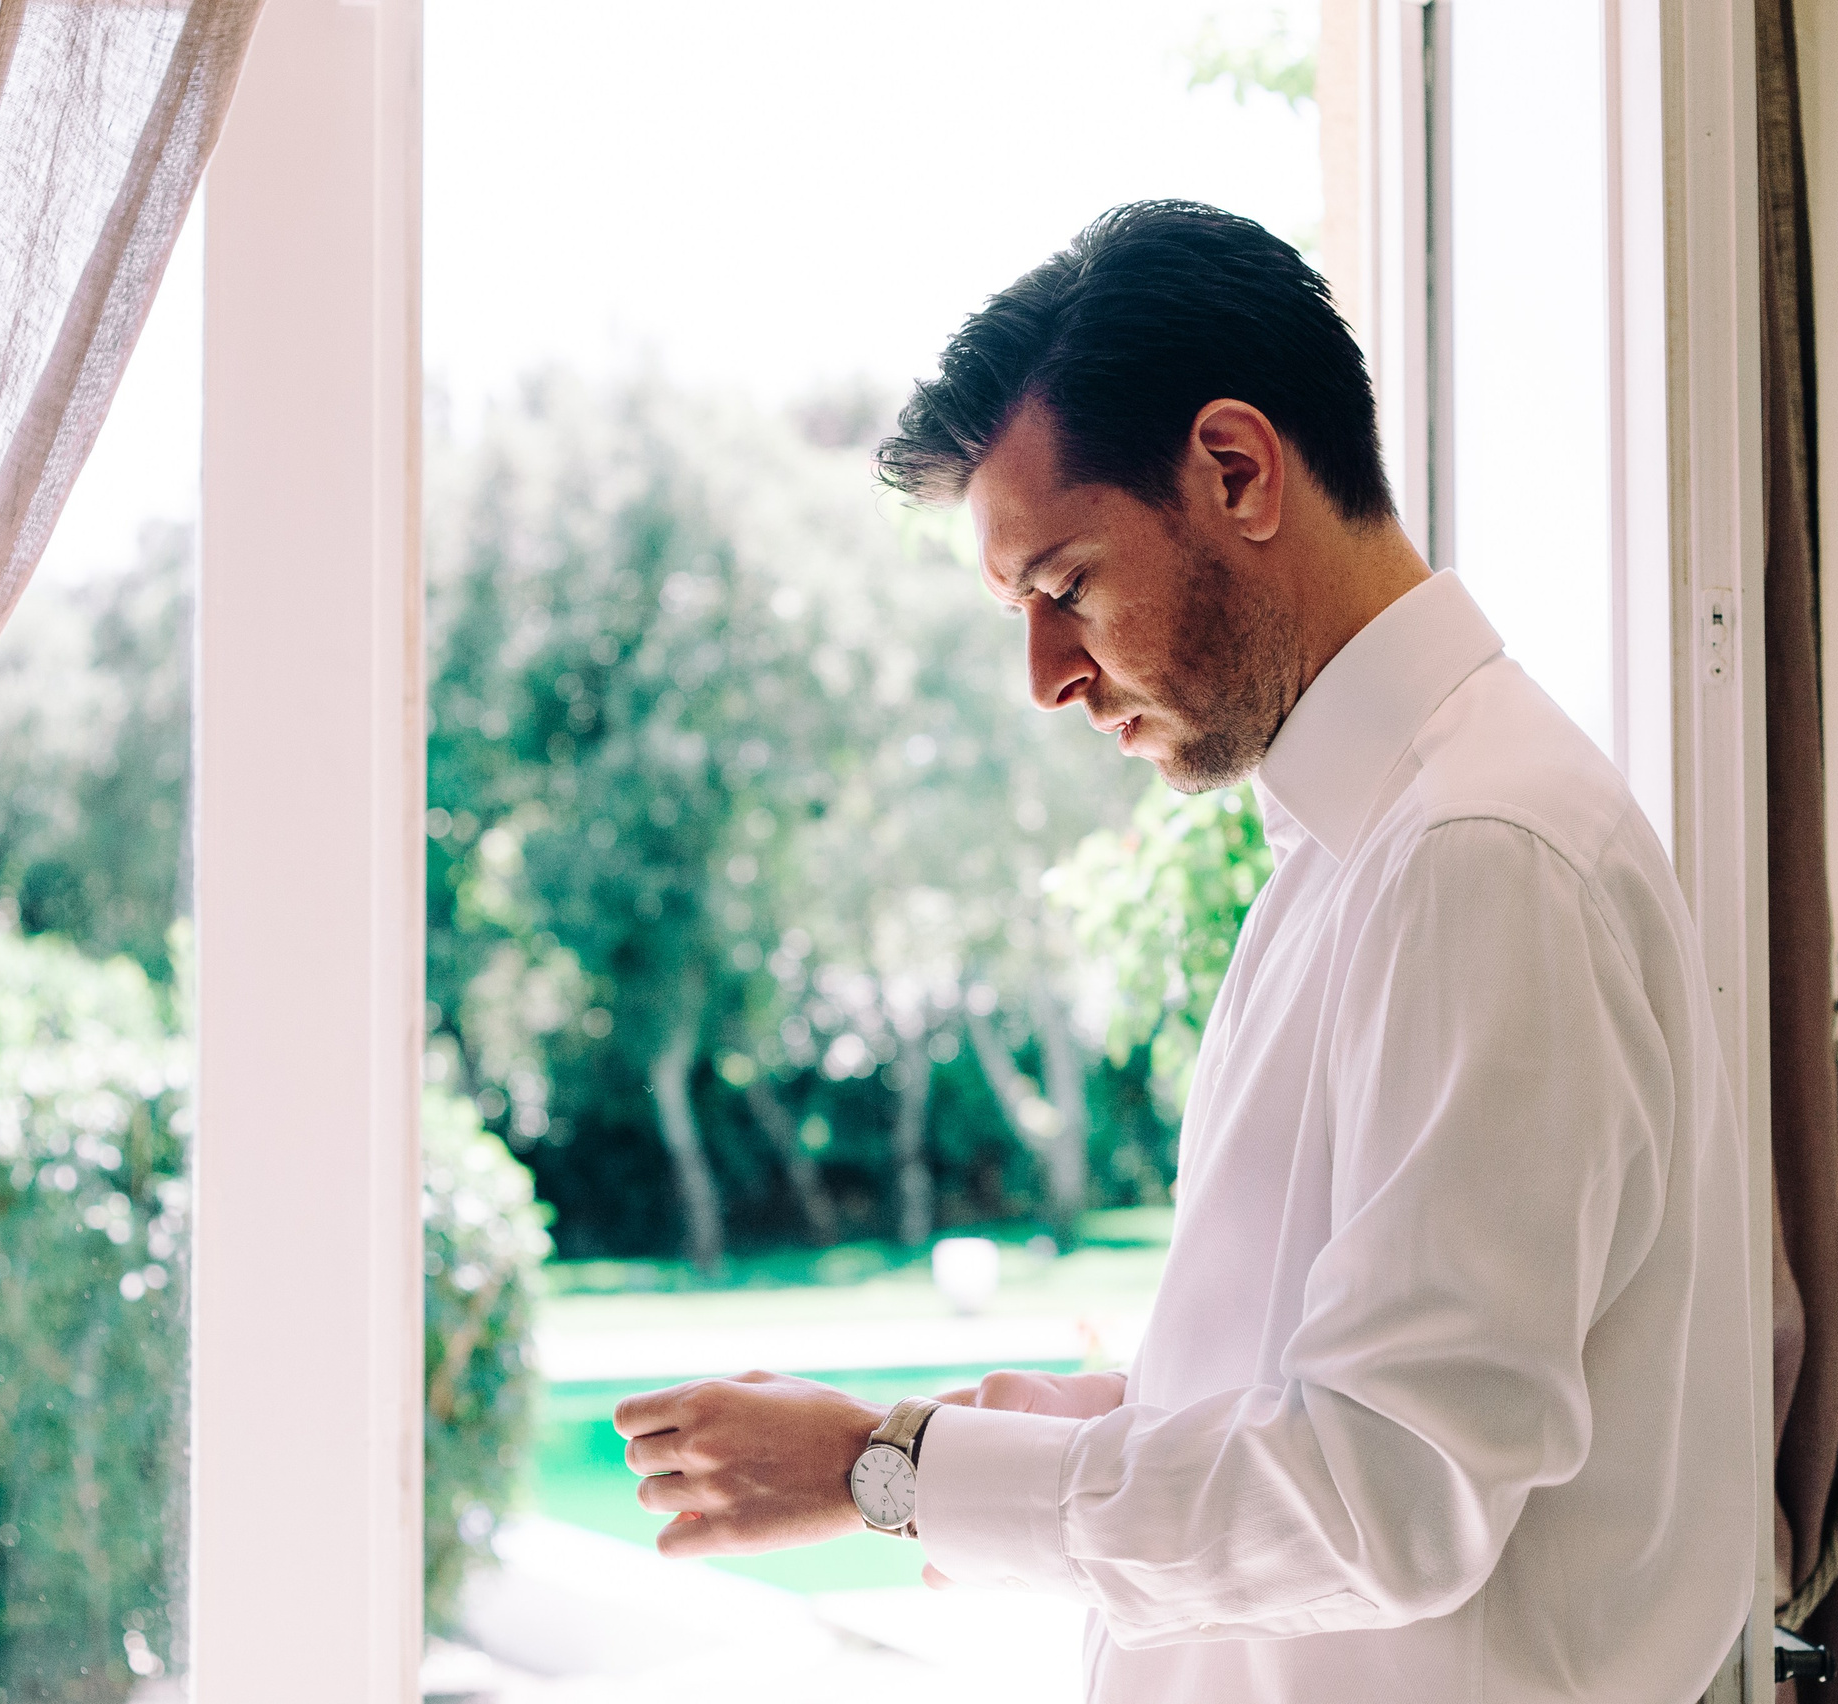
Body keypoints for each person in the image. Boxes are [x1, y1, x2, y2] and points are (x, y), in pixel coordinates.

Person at [612, 200, 1756, 1703]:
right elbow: (1302, 1408)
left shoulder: (1482, 858)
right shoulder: (1355, 858)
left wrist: (882, 1474)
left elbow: (1384, 1499)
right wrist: (936, 1439)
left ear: (1235, 469)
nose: (1046, 679)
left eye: (1066, 587)